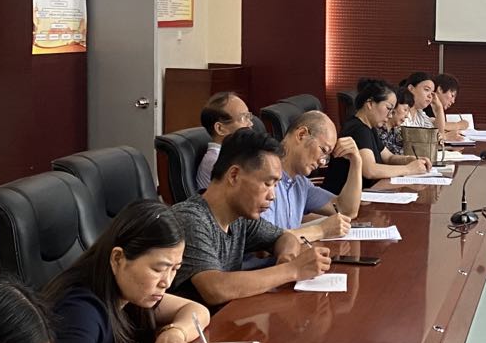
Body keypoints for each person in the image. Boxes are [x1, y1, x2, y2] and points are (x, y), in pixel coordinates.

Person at [39, 200, 226, 343]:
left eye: (174, 269)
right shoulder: (77, 306)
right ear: (118, 259)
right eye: (158, 269)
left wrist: (173, 334)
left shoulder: (132, 292)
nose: (167, 282)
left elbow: (196, 311)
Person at [171, 129, 332, 305]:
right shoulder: (190, 218)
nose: (272, 196)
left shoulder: (240, 218)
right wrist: (291, 270)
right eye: (267, 183)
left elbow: (284, 237)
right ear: (234, 175)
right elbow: (215, 288)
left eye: (275, 185)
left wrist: (287, 257)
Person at [259, 111, 359, 252]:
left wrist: (356, 162)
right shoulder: (262, 177)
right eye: (323, 150)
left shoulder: (301, 184)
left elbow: (346, 210)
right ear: (301, 134)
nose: (322, 162)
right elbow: (264, 242)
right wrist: (321, 230)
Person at [324, 79, 432, 196]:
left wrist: (410, 160)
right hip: (340, 198)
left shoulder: (370, 128)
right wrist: (409, 169)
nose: (390, 115)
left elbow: (389, 158)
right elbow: (370, 170)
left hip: (363, 194)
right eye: (388, 108)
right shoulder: (358, 129)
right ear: (370, 103)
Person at [195, 91, 256, 192]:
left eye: (248, 116)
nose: (250, 124)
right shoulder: (216, 161)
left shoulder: (235, 154)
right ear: (220, 128)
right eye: (243, 117)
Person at [379, 86, 415, 156]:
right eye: (405, 110)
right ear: (393, 106)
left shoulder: (395, 132)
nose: (407, 116)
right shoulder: (379, 130)